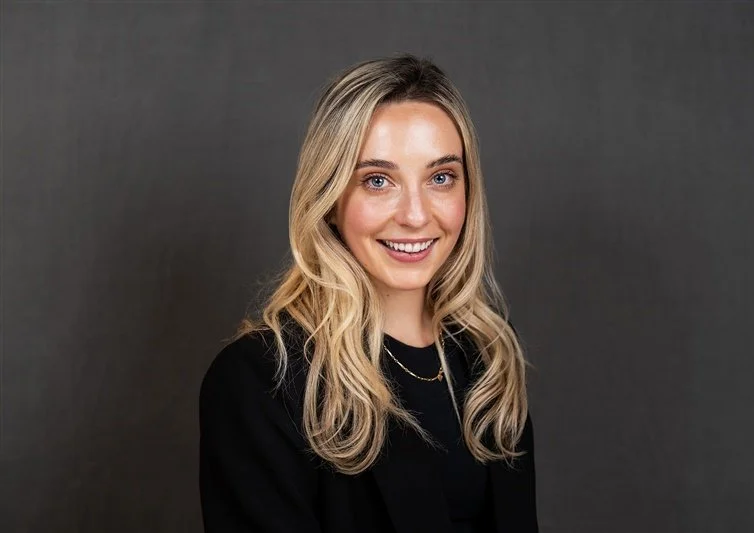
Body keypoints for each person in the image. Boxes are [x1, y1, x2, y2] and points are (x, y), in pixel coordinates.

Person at [199, 54, 537, 533]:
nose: (416, 215)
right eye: (378, 181)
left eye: (441, 178)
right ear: (330, 200)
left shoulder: (488, 354)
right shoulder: (260, 382)